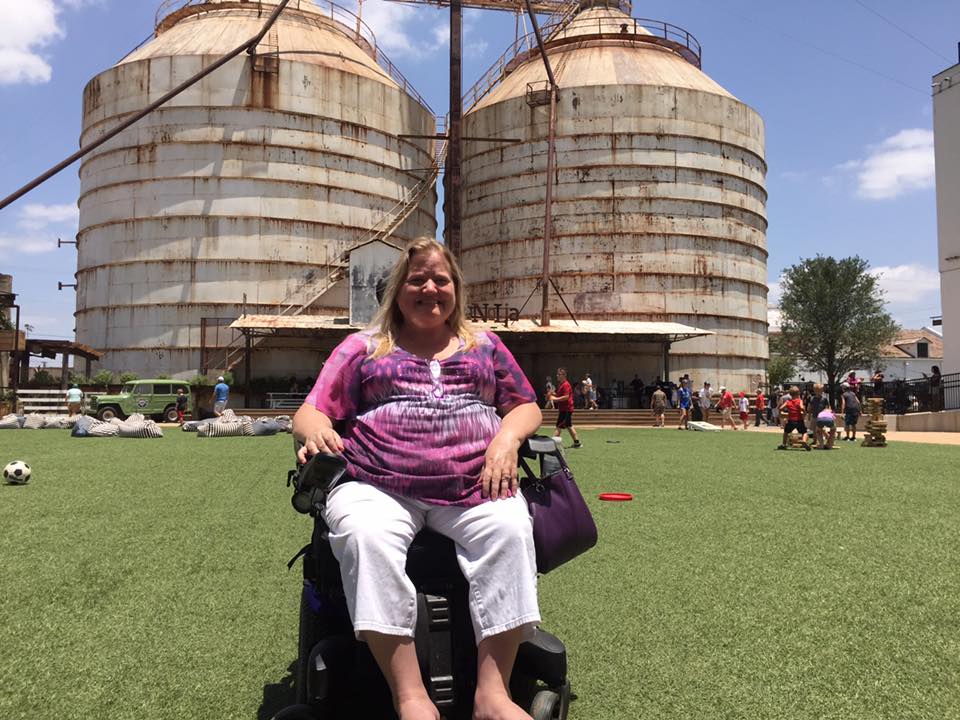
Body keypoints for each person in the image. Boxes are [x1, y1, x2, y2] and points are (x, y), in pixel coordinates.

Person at [292, 238, 542, 720]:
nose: (430, 288)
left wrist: (507, 440)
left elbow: (526, 404)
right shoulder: (363, 346)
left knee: (511, 530)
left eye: (440, 279)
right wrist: (318, 428)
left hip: (474, 485)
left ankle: (492, 695)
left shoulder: (484, 344)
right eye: (417, 279)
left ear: (456, 289)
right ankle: (410, 697)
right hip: (376, 482)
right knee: (366, 535)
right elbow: (309, 412)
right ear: (398, 291)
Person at [551, 368, 582, 448]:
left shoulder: (566, 384)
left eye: (559, 374)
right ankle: (577, 443)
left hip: (566, 409)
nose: (557, 376)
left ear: (564, 375)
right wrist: (552, 394)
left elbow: (566, 397)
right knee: (569, 425)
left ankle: (551, 445)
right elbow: (560, 395)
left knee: (559, 426)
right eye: (557, 374)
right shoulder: (561, 384)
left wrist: (555, 399)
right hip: (564, 409)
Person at [778, 385, 811, 450]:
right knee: (804, 432)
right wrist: (804, 412)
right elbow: (801, 407)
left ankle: (784, 444)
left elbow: (780, 408)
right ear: (798, 393)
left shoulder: (788, 402)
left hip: (790, 420)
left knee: (786, 432)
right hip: (799, 420)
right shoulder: (799, 401)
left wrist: (784, 413)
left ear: (790, 394)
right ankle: (804, 441)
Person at [806, 384, 831, 448]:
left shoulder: (824, 399)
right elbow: (810, 407)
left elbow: (828, 407)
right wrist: (809, 415)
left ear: (822, 390)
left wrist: (828, 414)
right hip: (814, 416)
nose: (819, 392)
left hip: (822, 417)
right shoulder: (812, 398)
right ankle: (815, 441)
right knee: (814, 430)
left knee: (822, 430)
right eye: (817, 390)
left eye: (820, 390)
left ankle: (829, 438)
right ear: (814, 391)